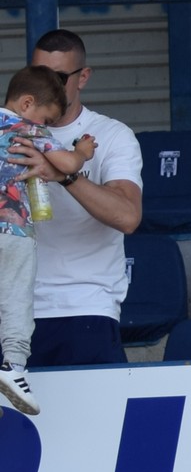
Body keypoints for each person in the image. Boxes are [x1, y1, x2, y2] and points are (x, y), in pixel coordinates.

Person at [20, 29, 140, 370]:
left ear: (82, 77)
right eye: (38, 75)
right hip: (13, 308)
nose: (46, 86)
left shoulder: (111, 135)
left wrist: (65, 175)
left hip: (84, 306)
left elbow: (128, 216)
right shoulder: (8, 132)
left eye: (58, 77)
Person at [0, 66, 91, 410]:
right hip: (13, 231)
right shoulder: (27, 129)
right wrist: (81, 152)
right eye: (49, 119)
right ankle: (14, 367)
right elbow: (66, 163)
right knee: (15, 300)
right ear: (27, 104)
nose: (48, 126)